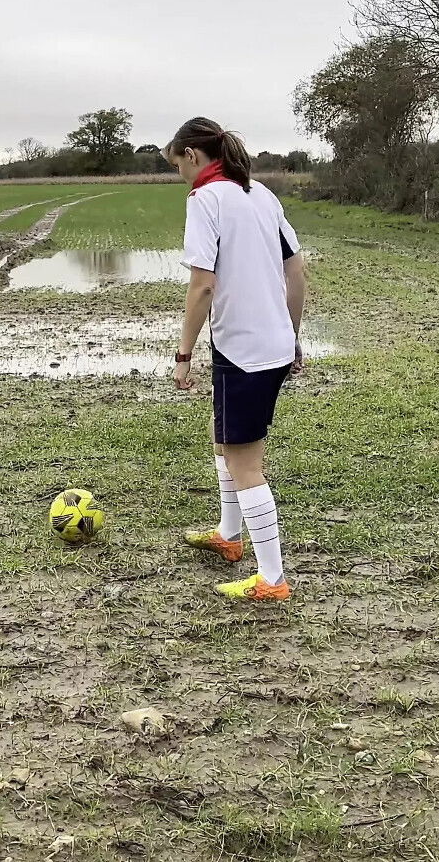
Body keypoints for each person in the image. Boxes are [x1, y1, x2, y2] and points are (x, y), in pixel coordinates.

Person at [163, 117, 306, 602]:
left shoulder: (206, 199)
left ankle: (271, 579)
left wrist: (183, 354)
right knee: (223, 434)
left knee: (246, 462)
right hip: (268, 344)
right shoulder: (262, 194)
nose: (178, 174)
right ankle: (228, 535)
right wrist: (293, 335)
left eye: (176, 164)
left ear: (194, 157)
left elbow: (202, 285)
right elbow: (296, 269)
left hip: (243, 349)